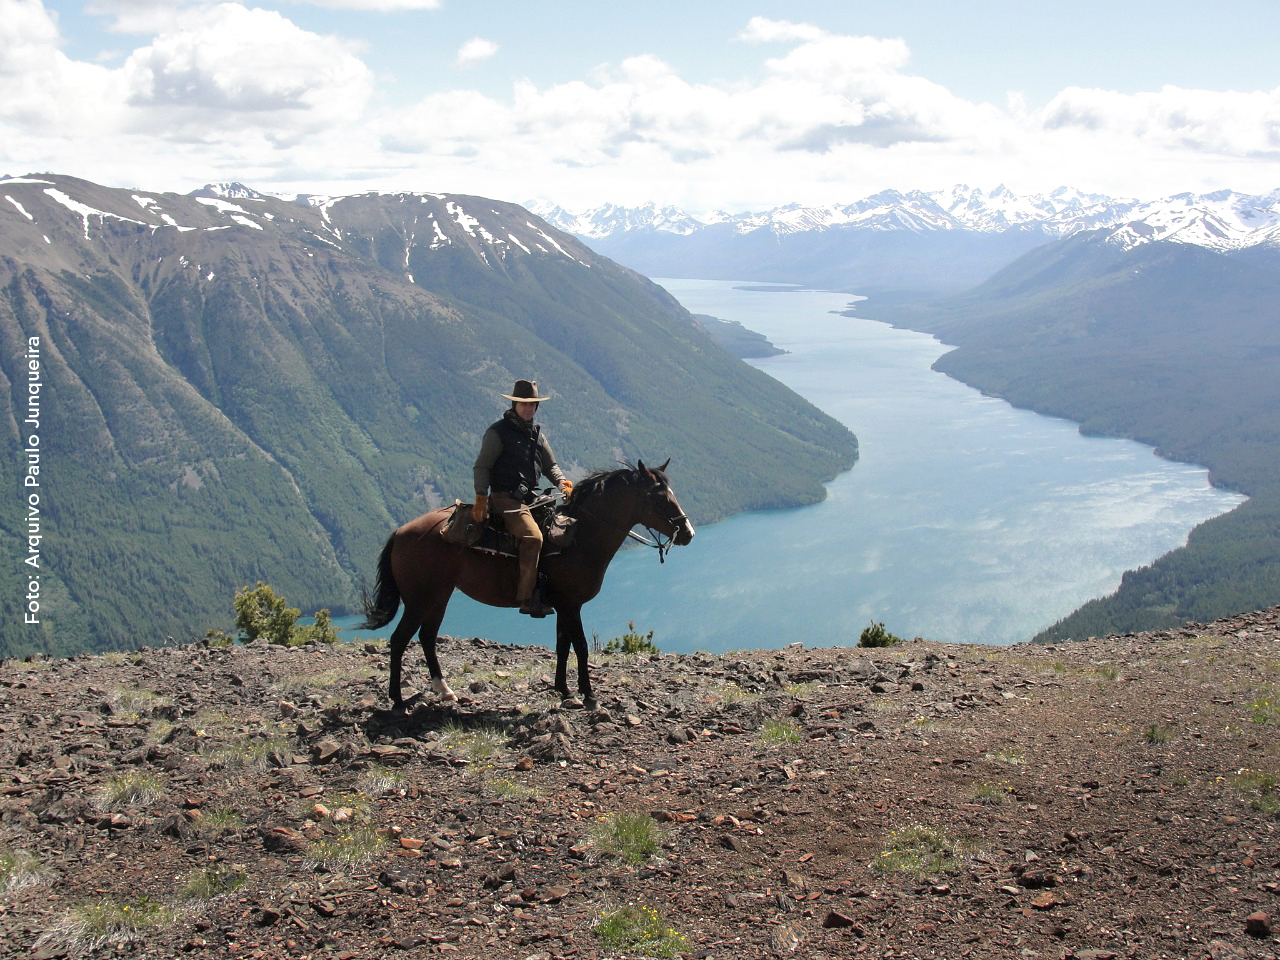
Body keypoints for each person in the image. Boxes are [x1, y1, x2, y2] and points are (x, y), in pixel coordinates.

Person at [473, 379, 574, 616]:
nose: (528, 409)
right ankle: (527, 597)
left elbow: (551, 466)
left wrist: (563, 483)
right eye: (523, 404)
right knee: (533, 538)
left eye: (532, 405)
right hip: (504, 499)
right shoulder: (497, 432)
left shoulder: (538, 435)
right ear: (514, 404)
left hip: (530, 498)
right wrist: (480, 497)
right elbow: (482, 467)